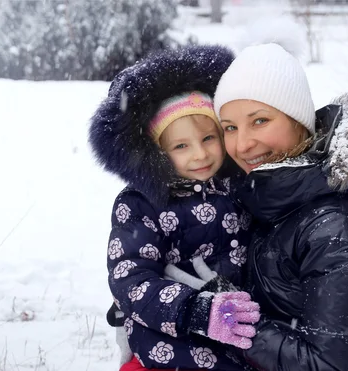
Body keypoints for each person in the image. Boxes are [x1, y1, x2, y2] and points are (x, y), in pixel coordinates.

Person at [211, 43, 348, 371]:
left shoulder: (342, 224)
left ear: (300, 122)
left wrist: (227, 321)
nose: (241, 143)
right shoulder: (269, 190)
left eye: (259, 120)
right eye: (230, 127)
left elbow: (326, 364)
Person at [88, 44, 260, 371]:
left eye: (209, 138)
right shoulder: (143, 204)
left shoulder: (240, 181)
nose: (200, 154)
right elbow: (131, 277)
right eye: (181, 145)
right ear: (159, 153)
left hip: (244, 327)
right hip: (172, 334)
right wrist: (197, 311)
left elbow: (294, 189)